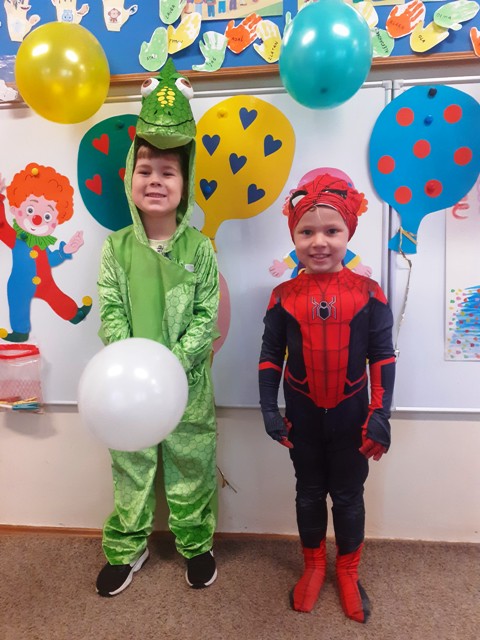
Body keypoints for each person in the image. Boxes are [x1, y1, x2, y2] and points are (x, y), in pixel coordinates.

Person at [258, 173, 395, 623]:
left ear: (348, 233)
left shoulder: (370, 293)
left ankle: (348, 571)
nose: (319, 242)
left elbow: (382, 355)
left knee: (350, 497)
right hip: (302, 419)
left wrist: (380, 414)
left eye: (332, 231)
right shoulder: (281, 297)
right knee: (309, 494)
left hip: (352, 419)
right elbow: (270, 357)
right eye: (307, 232)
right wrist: (268, 409)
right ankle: (314, 566)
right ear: (294, 236)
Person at [95, 109, 220, 594]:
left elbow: (206, 315)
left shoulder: (200, 248)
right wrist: (131, 365)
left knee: (192, 462)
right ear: (130, 179)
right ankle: (128, 546)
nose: (155, 181)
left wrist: (173, 365)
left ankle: (196, 542)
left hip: (188, 383)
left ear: (184, 185)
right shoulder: (116, 248)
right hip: (126, 387)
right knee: (131, 463)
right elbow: (110, 309)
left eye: (168, 173)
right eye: (144, 171)